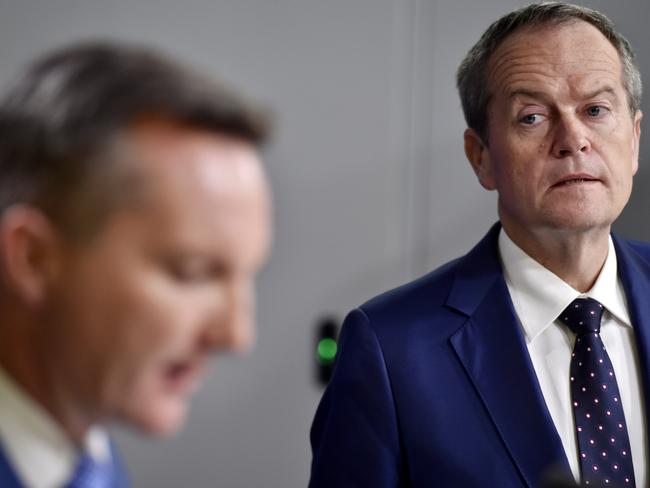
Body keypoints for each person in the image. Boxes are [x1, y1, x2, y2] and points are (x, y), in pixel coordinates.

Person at [309, 2, 647, 487]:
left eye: (595, 110)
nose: (573, 140)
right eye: (532, 117)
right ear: (481, 156)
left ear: (633, 140)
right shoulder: (390, 350)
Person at [0, 42, 272, 488]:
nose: (236, 336)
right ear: (34, 258)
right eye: (193, 272)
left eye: (246, 276)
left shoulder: (85, 459)